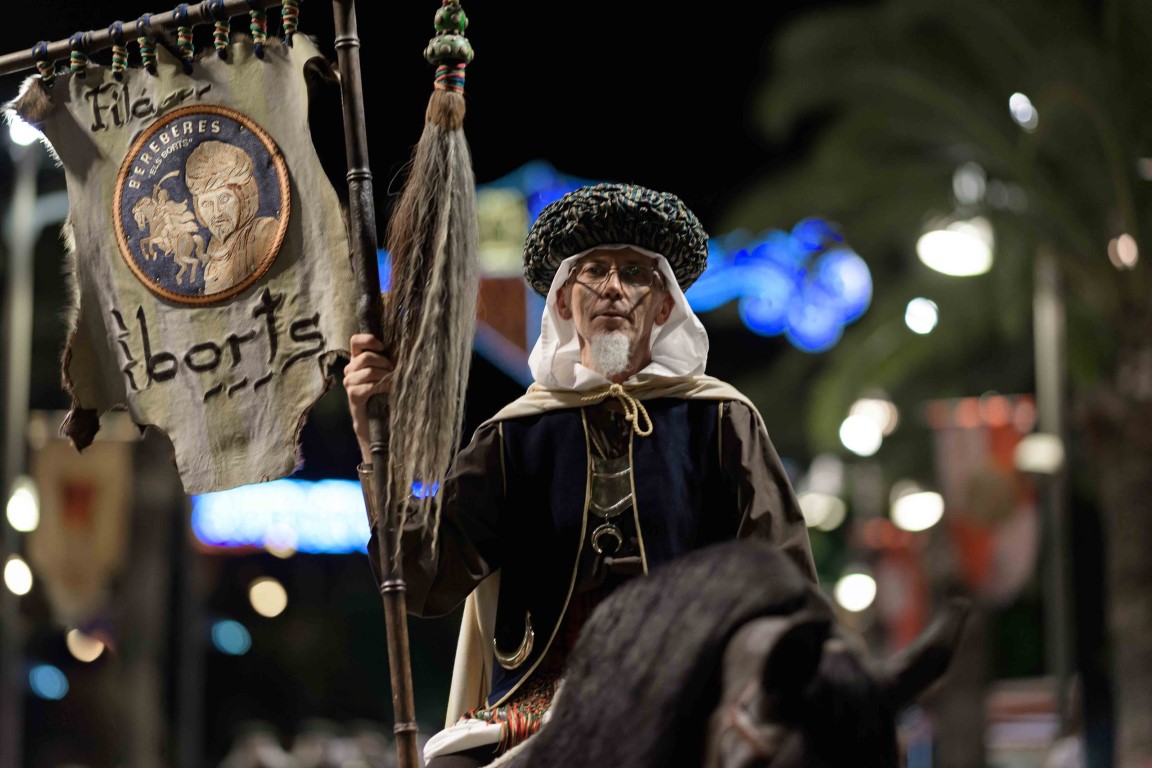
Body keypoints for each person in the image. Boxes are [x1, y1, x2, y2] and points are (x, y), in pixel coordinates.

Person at [343, 182, 817, 767]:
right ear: (565, 302)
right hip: (538, 709)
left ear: (663, 306)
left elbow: (786, 583)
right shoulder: (514, 435)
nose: (614, 287)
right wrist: (377, 442)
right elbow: (420, 580)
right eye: (594, 270)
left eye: (636, 273)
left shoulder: (721, 419)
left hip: (691, 701)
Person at [183, 140, 280, 295]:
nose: (217, 213)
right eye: (207, 203)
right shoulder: (213, 249)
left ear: (244, 197)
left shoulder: (263, 233)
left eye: (224, 198)